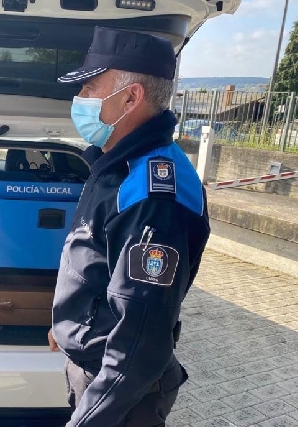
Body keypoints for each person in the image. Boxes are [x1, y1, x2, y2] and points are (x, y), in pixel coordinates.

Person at [49, 26, 210, 427]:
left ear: (131, 97)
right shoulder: (116, 164)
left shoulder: (153, 195)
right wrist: (67, 329)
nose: (80, 99)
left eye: (89, 88)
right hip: (99, 375)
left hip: (120, 399)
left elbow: (140, 344)